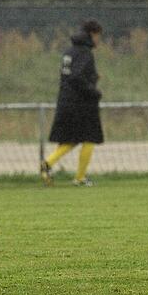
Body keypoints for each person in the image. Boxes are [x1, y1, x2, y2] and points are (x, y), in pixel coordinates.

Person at [41, 19, 104, 187]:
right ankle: (80, 178)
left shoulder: (69, 52)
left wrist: (93, 76)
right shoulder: (85, 53)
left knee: (72, 139)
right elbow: (77, 77)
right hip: (82, 103)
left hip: (66, 100)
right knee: (89, 138)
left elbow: (70, 75)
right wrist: (94, 91)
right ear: (92, 34)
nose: (99, 40)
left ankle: (47, 164)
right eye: (98, 36)